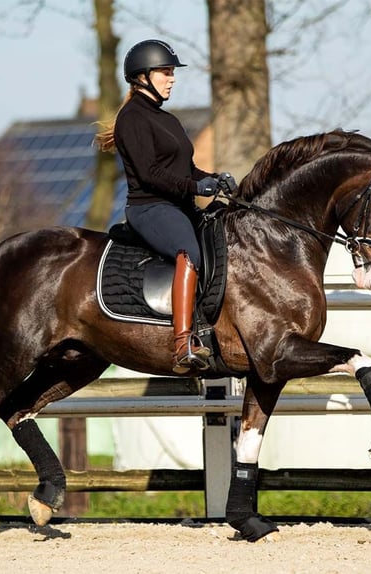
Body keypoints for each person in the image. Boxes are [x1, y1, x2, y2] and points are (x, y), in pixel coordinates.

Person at [95, 39, 236, 374]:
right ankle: (182, 342)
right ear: (143, 76)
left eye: (172, 73)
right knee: (189, 251)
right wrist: (194, 186)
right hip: (150, 208)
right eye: (166, 72)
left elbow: (185, 171)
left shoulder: (167, 119)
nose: (172, 79)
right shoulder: (132, 118)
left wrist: (214, 178)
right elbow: (150, 174)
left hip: (177, 205)